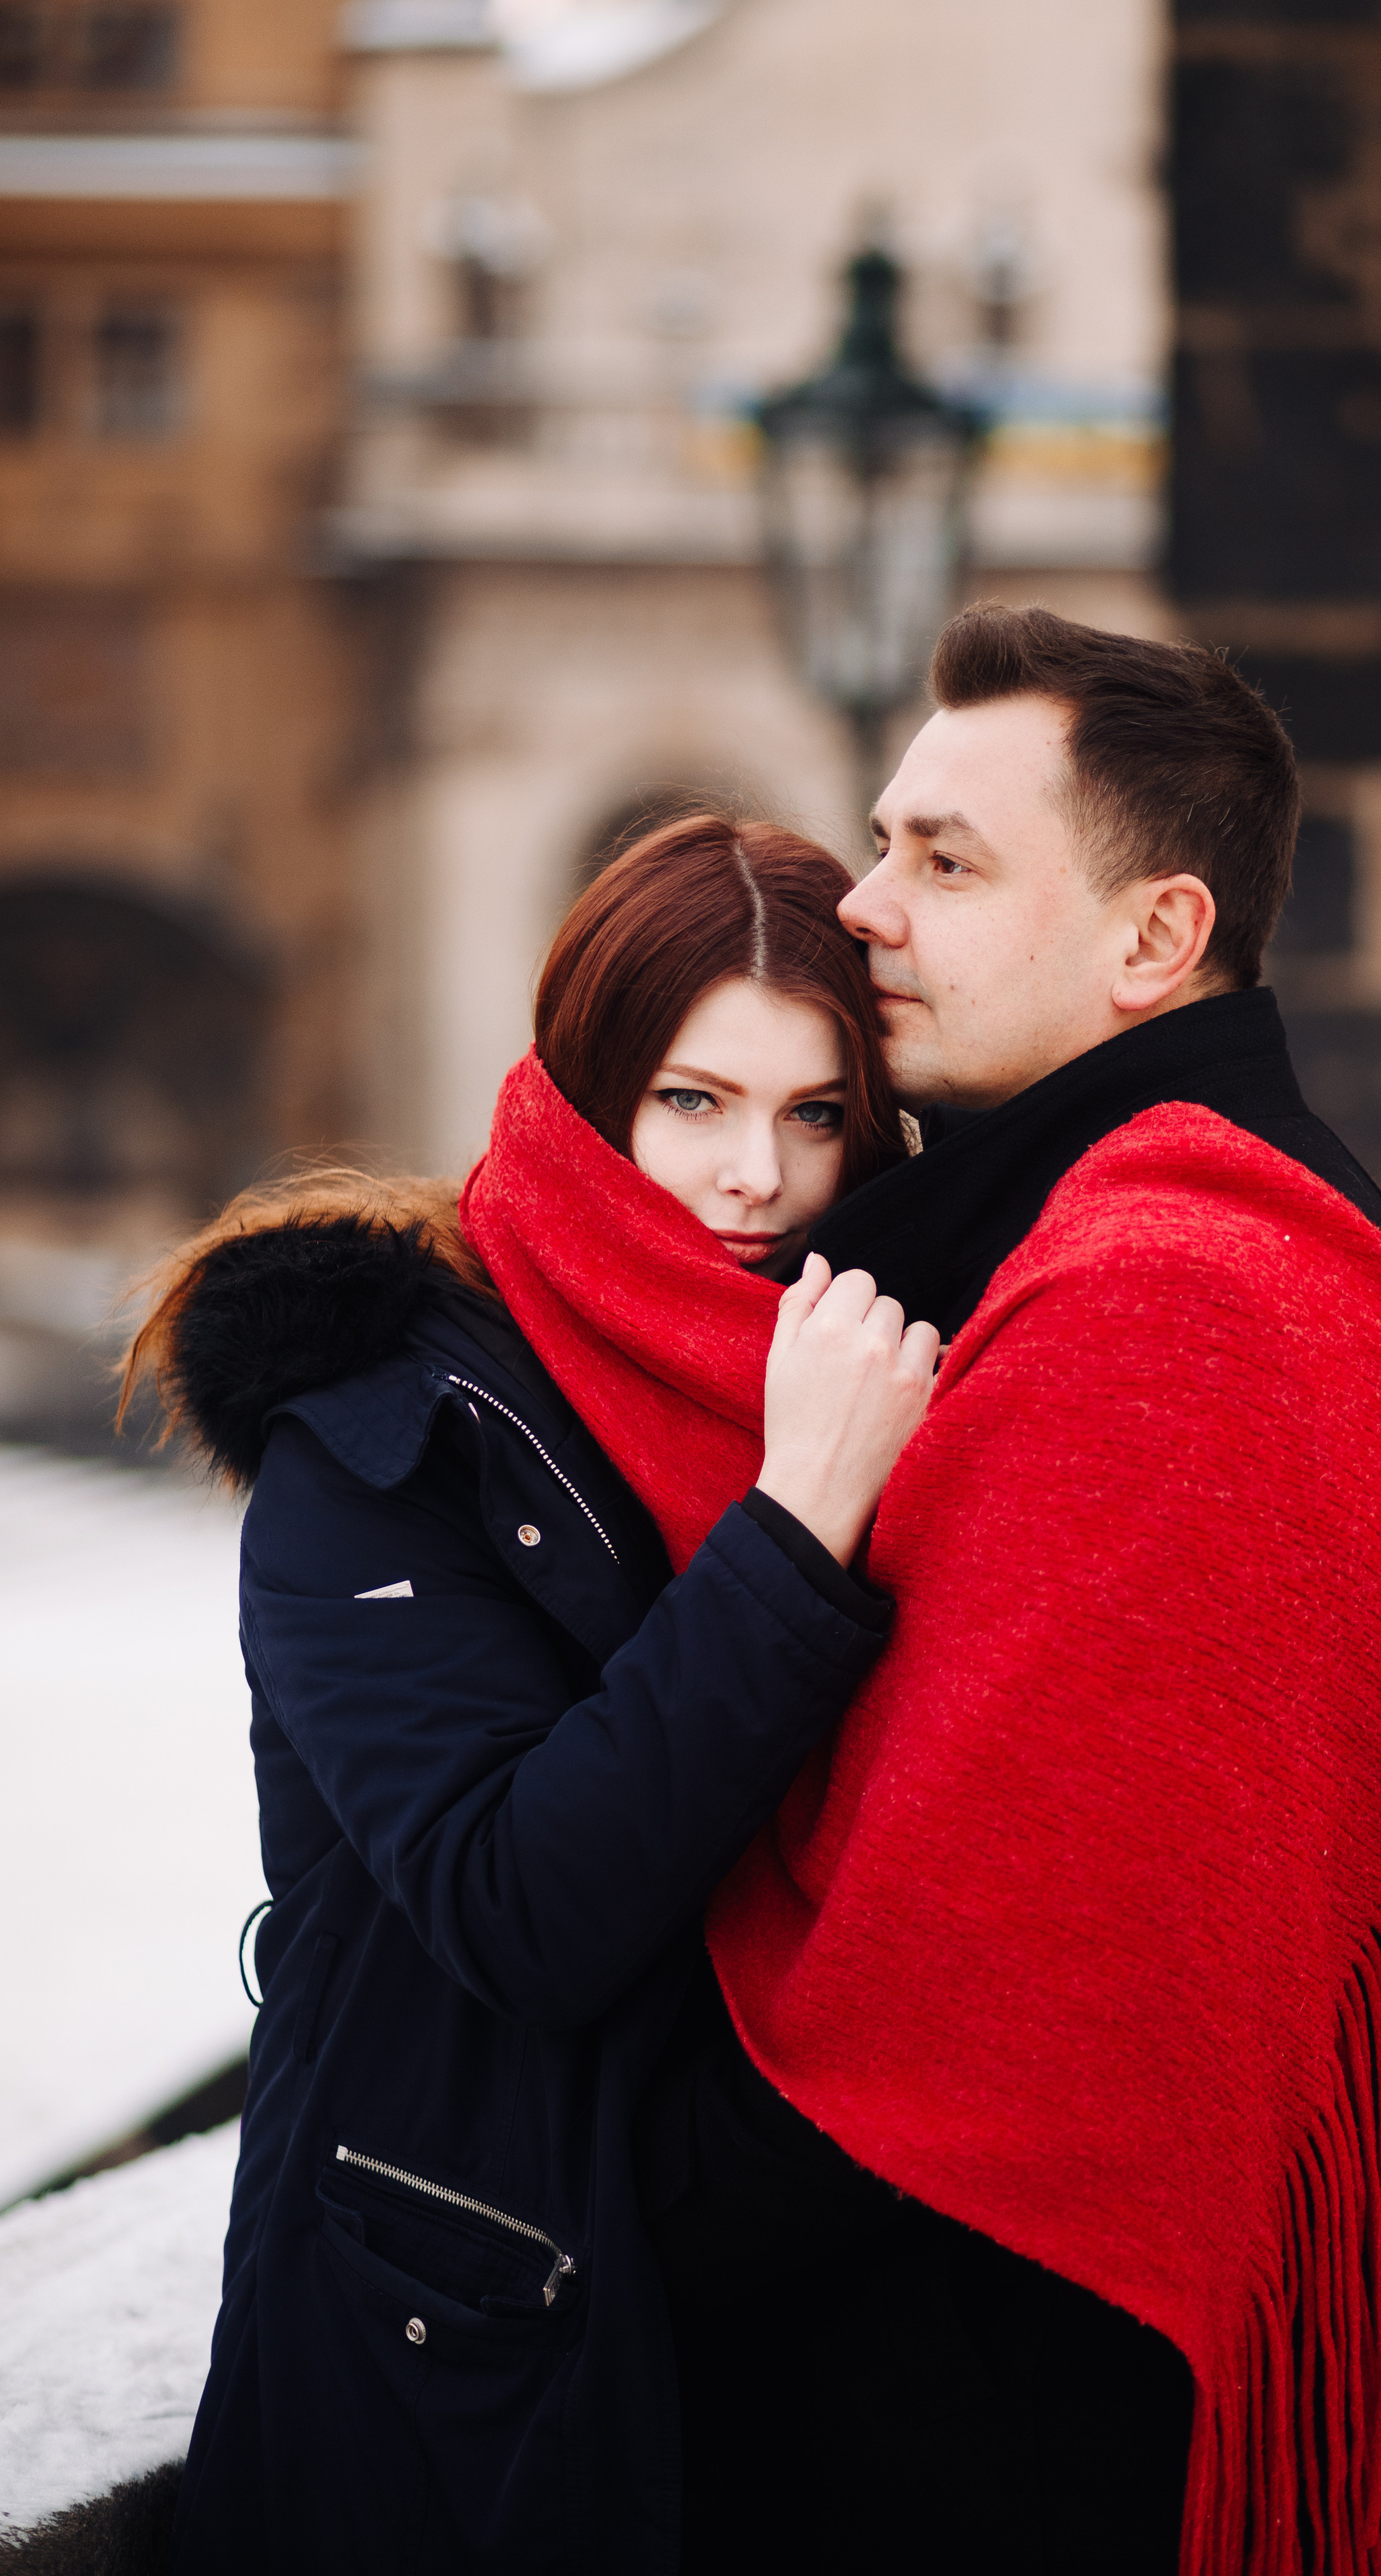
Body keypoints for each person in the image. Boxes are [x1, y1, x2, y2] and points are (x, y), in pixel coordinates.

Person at [474, 606, 1381, 2576]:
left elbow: (960, 1945)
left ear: (1154, 940)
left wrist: (642, 2218)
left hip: (1057, 2409)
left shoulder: (1160, 1274)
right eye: (885, 840)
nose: (865, 913)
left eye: (945, 861)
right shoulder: (1191, 1204)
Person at [119, 820, 941, 2573]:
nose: (755, 1181)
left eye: (816, 1116)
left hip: (804, 2334)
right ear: (585, 1095)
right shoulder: (381, 1435)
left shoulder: (896, 1379)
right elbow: (523, 1904)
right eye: (691, 1102)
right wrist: (799, 1532)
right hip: (464, 2352)